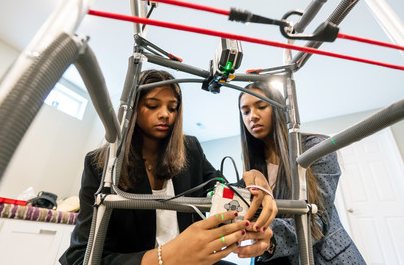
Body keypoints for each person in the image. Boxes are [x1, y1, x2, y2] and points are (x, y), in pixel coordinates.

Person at [60, 70, 275, 265]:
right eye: (153, 106)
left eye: (172, 108)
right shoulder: (100, 165)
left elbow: (222, 190)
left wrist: (252, 180)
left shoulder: (190, 149)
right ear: (133, 108)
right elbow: (79, 258)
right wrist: (164, 257)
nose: (165, 114)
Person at [237, 81, 366, 264]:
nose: (253, 116)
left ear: (278, 108)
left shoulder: (316, 148)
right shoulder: (251, 165)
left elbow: (318, 220)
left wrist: (271, 236)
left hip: (324, 257)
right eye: (246, 111)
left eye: (261, 106)